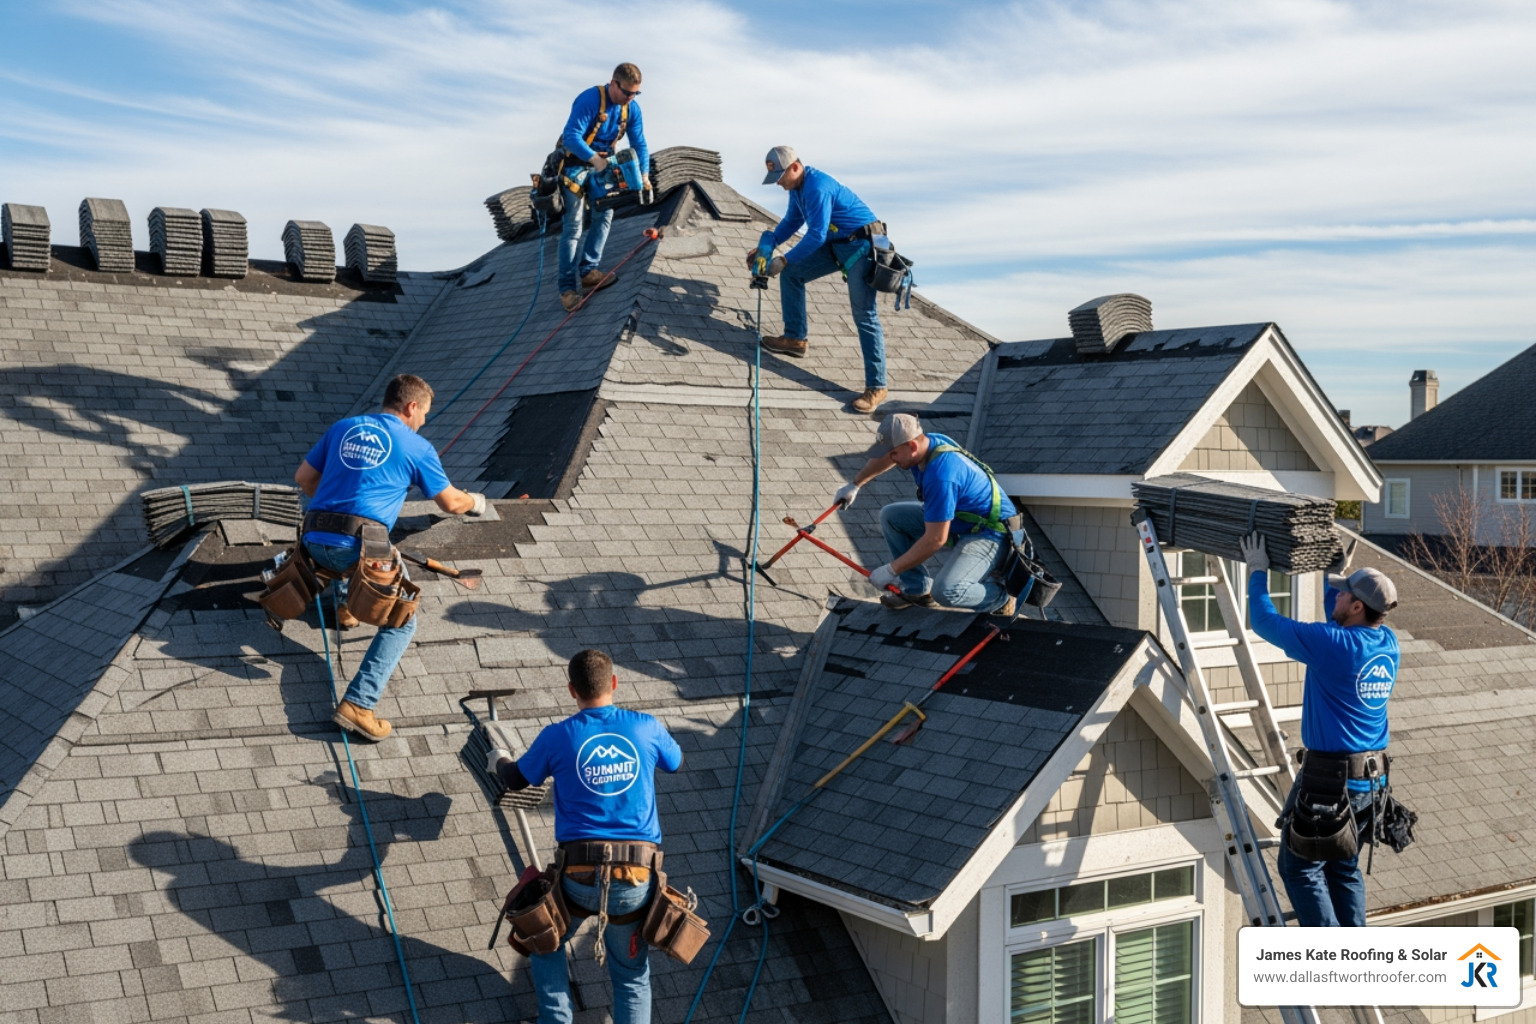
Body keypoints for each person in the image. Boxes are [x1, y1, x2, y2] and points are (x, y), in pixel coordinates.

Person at [488, 649, 683, 1024]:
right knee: (630, 978)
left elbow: (515, 779)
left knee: (544, 941)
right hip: (635, 881)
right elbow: (674, 762)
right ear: (613, 682)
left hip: (577, 878)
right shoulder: (645, 726)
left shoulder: (559, 736)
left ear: (571, 690)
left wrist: (498, 757)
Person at [294, 374, 485, 741]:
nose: (424, 421)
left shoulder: (343, 427)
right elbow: (450, 502)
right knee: (401, 619)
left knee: (354, 558)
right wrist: (477, 501)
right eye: (424, 413)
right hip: (355, 550)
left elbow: (304, 478)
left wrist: (337, 511)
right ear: (411, 406)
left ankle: (344, 606)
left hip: (313, 542)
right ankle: (359, 704)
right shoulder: (417, 447)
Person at [1239, 533, 1400, 927]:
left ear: (1358, 606)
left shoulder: (1334, 645)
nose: (1336, 598)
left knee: (1299, 868)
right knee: (1342, 869)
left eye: (1343, 594)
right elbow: (1342, 616)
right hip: (1370, 784)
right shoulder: (1387, 642)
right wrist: (1336, 574)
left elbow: (1262, 620)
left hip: (1330, 783)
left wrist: (1257, 569)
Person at [837, 412, 1023, 613]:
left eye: (894, 454)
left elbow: (935, 540)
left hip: (993, 532)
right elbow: (887, 456)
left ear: (912, 446)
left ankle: (1000, 597)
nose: (891, 459)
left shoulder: (941, 475)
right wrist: (855, 484)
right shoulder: (927, 443)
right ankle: (916, 590)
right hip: (961, 519)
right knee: (892, 517)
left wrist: (891, 570)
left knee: (947, 590)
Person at [755, 146, 891, 414]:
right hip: (838, 243)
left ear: (795, 167)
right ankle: (795, 340)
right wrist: (767, 247)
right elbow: (791, 223)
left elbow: (815, 235)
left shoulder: (817, 187)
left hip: (864, 245)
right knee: (793, 275)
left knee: (864, 314)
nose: (779, 184)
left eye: (781, 177)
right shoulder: (798, 190)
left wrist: (783, 260)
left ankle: (877, 386)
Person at [557, 63, 651, 312]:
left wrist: (644, 174)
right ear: (613, 83)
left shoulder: (631, 109)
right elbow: (571, 137)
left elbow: (639, 142)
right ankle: (567, 289)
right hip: (575, 166)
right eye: (626, 93)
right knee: (574, 226)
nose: (630, 98)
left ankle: (589, 272)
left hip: (603, 165)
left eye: (635, 94)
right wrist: (594, 160)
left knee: (605, 213)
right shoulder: (590, 100)